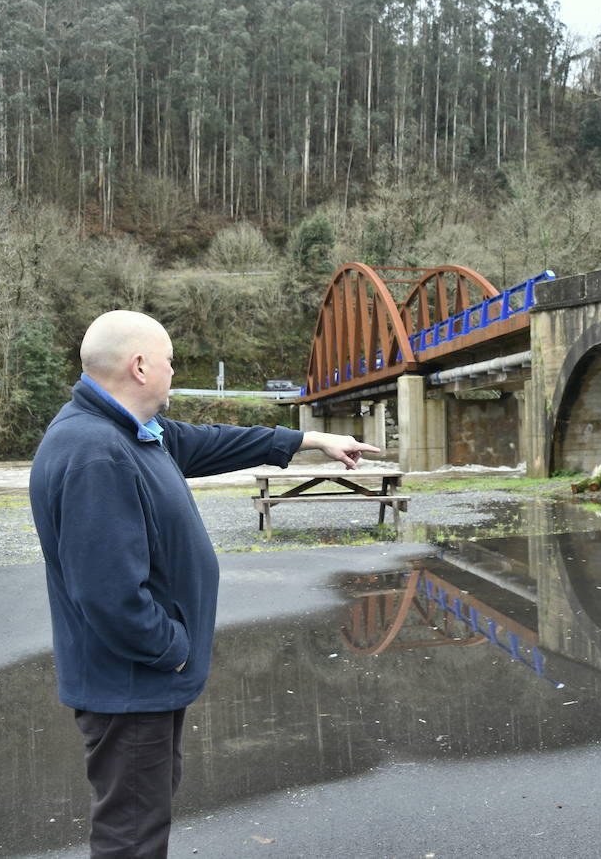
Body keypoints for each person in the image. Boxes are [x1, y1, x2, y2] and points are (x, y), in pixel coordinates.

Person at [28, 310, 379, 858]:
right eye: (169, 360)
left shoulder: (133, 433)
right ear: (140, 366)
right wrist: (172, 650)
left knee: (141, 816)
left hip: (138, 680)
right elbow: (108, 595)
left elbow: (216, 442)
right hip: (131, 684)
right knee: (131, 834)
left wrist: (311, 439)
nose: (174, 371)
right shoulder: (96, 451)